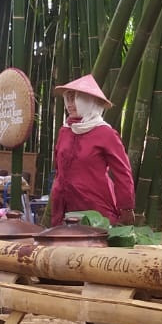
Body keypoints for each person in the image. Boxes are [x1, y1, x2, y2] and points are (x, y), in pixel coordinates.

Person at [48, 74, 135, 226]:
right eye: (68, 98)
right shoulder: (65, 131)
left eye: (75, 99)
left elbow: (123, 173)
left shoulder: (105, 133)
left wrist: (126, 208)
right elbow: (58, 169)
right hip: (64, 208)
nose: (70, 104)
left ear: (88, 101)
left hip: (95, 208)